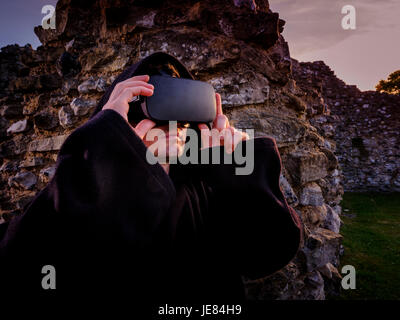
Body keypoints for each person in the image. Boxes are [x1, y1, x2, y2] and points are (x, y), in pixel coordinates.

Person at [0, 52, 302, 302]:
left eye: (183, 109)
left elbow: (268, 253)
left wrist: (241, 170)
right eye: (153, 103)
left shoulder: (208, 187)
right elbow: (22, 263)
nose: (173, 121)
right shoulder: (89, 183)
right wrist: (108, 150)